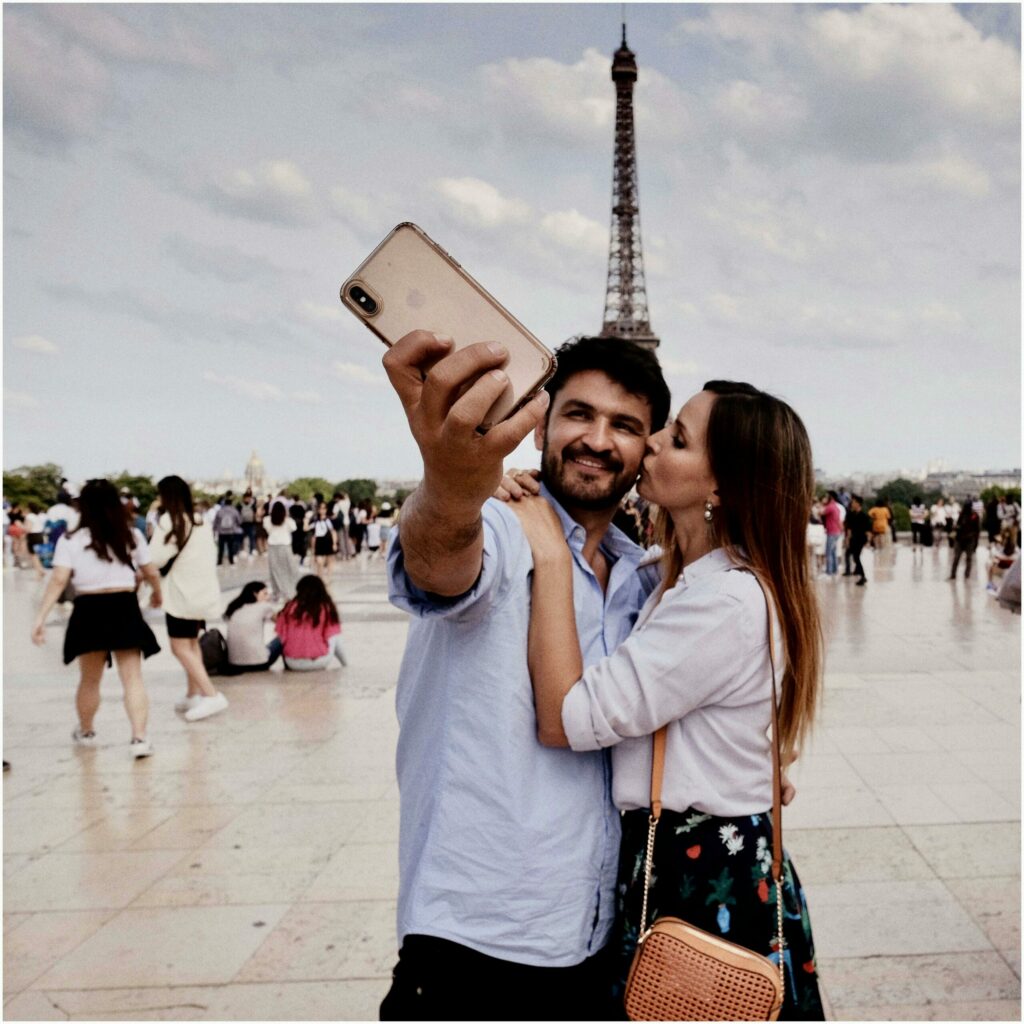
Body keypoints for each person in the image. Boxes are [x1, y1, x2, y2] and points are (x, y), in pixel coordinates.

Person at [378, 329, 672, 1021]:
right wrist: (451, 491)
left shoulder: (644, 580)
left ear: (647, 449)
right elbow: (441, 562)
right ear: (539, 423)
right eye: (578, 414)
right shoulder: (502, 528)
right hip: (476, 945)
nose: (598, 439)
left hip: (598, 943)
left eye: (624, 425)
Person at [511, 380, 824, 1018]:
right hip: (709, 862)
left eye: (677, 438)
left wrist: (549, 549)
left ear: (720, 489)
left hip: (698, 878)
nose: (651, 441)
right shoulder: (691, 579)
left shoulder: (723, 601)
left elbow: (570, 719)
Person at [30, 479, 162, 758]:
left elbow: (58, 580)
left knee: (89, 679)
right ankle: (139, 738)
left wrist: (41, 617)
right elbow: (150, 570)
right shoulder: (130, 536)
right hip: (124, 605)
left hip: (89, 608)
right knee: (133, 678)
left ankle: (87, 731)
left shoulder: (71, 540)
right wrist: (157, 595)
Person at [148, 476, 229, 722]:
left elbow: (154, 559)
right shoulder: (199, 520)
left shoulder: (169, 521)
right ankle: (193, 693)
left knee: (179, 647)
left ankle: (210, 694)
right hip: (201, 592)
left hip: (181, 593)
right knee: (192, 644)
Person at [275, 575, 346, 670]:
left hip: (292, 663)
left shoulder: (290, 607)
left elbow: (281, 635)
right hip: (320, 661)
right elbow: (330, 634)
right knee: (333, 635)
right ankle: (345, 663)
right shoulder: (325, 607)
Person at [222, 581, 282, 674]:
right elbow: (282, 623)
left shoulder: (235, 608)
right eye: (265, 594)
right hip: (259, 664)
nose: (268, 597)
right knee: (282, 638)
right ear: (255, 594)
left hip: (234, 663)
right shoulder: (264, 606)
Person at [265, 500, 301, 600]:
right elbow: (294, 528)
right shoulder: (288, 521)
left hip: (272, 547)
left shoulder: (267, 520)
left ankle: (277, 592)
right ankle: (291, 591)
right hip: (285, 547)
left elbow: (267, 529)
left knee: (275, 571)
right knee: (289, 569)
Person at [843, 494, 872, 585]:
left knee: (856, 557)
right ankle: (859, 573)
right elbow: (849, 529)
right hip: (853, 538)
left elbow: (868, 530)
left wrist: (868, 541)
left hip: (860, 539)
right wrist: (847, 539)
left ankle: (862, 576)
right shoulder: (851, 515)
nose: (852, 504)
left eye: (854, 502)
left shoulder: (864, 516)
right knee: (851, 555)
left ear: (859, 504)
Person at [949, 499, 981, 580]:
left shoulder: (974, 516)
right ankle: (953, 574)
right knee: (956, 558)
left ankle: (967, 575)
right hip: (959, 539)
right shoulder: (962, 514)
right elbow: (957, 525)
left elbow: (977, 530)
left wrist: (976, 543)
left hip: (970, 540)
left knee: (969, 558)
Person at [311, 502, 338, 581]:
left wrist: (334, 543)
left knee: (329, 560)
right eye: (320, 508)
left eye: (324, 508)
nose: (322, 510)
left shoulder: (329, 520)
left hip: (328, 540)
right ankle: (320, 577)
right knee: (319, 561)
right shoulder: (315, 520)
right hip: (319, 541)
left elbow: (333, 532)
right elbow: (312, 533)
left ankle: (328, 577)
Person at [213, 496, 243, 566]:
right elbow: (239, 521)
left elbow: (215, 522)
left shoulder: (220, 511)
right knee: (231, 547)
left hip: (221, 532)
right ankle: (231, 561)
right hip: (231, 532)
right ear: (231, 503)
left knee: (221, 548)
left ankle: (219, 561)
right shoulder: (234, 511)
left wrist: (214, 531)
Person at [821, 491, 843, 576]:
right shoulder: (836, 507)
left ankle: (829, 571)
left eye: (827, 497)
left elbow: (821, 513)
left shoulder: (830, 507)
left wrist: (822, 504)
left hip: (831, 532)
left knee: (829, 552)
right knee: (833, 551)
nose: (825, 498)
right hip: (837, 531)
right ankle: (835, 569)